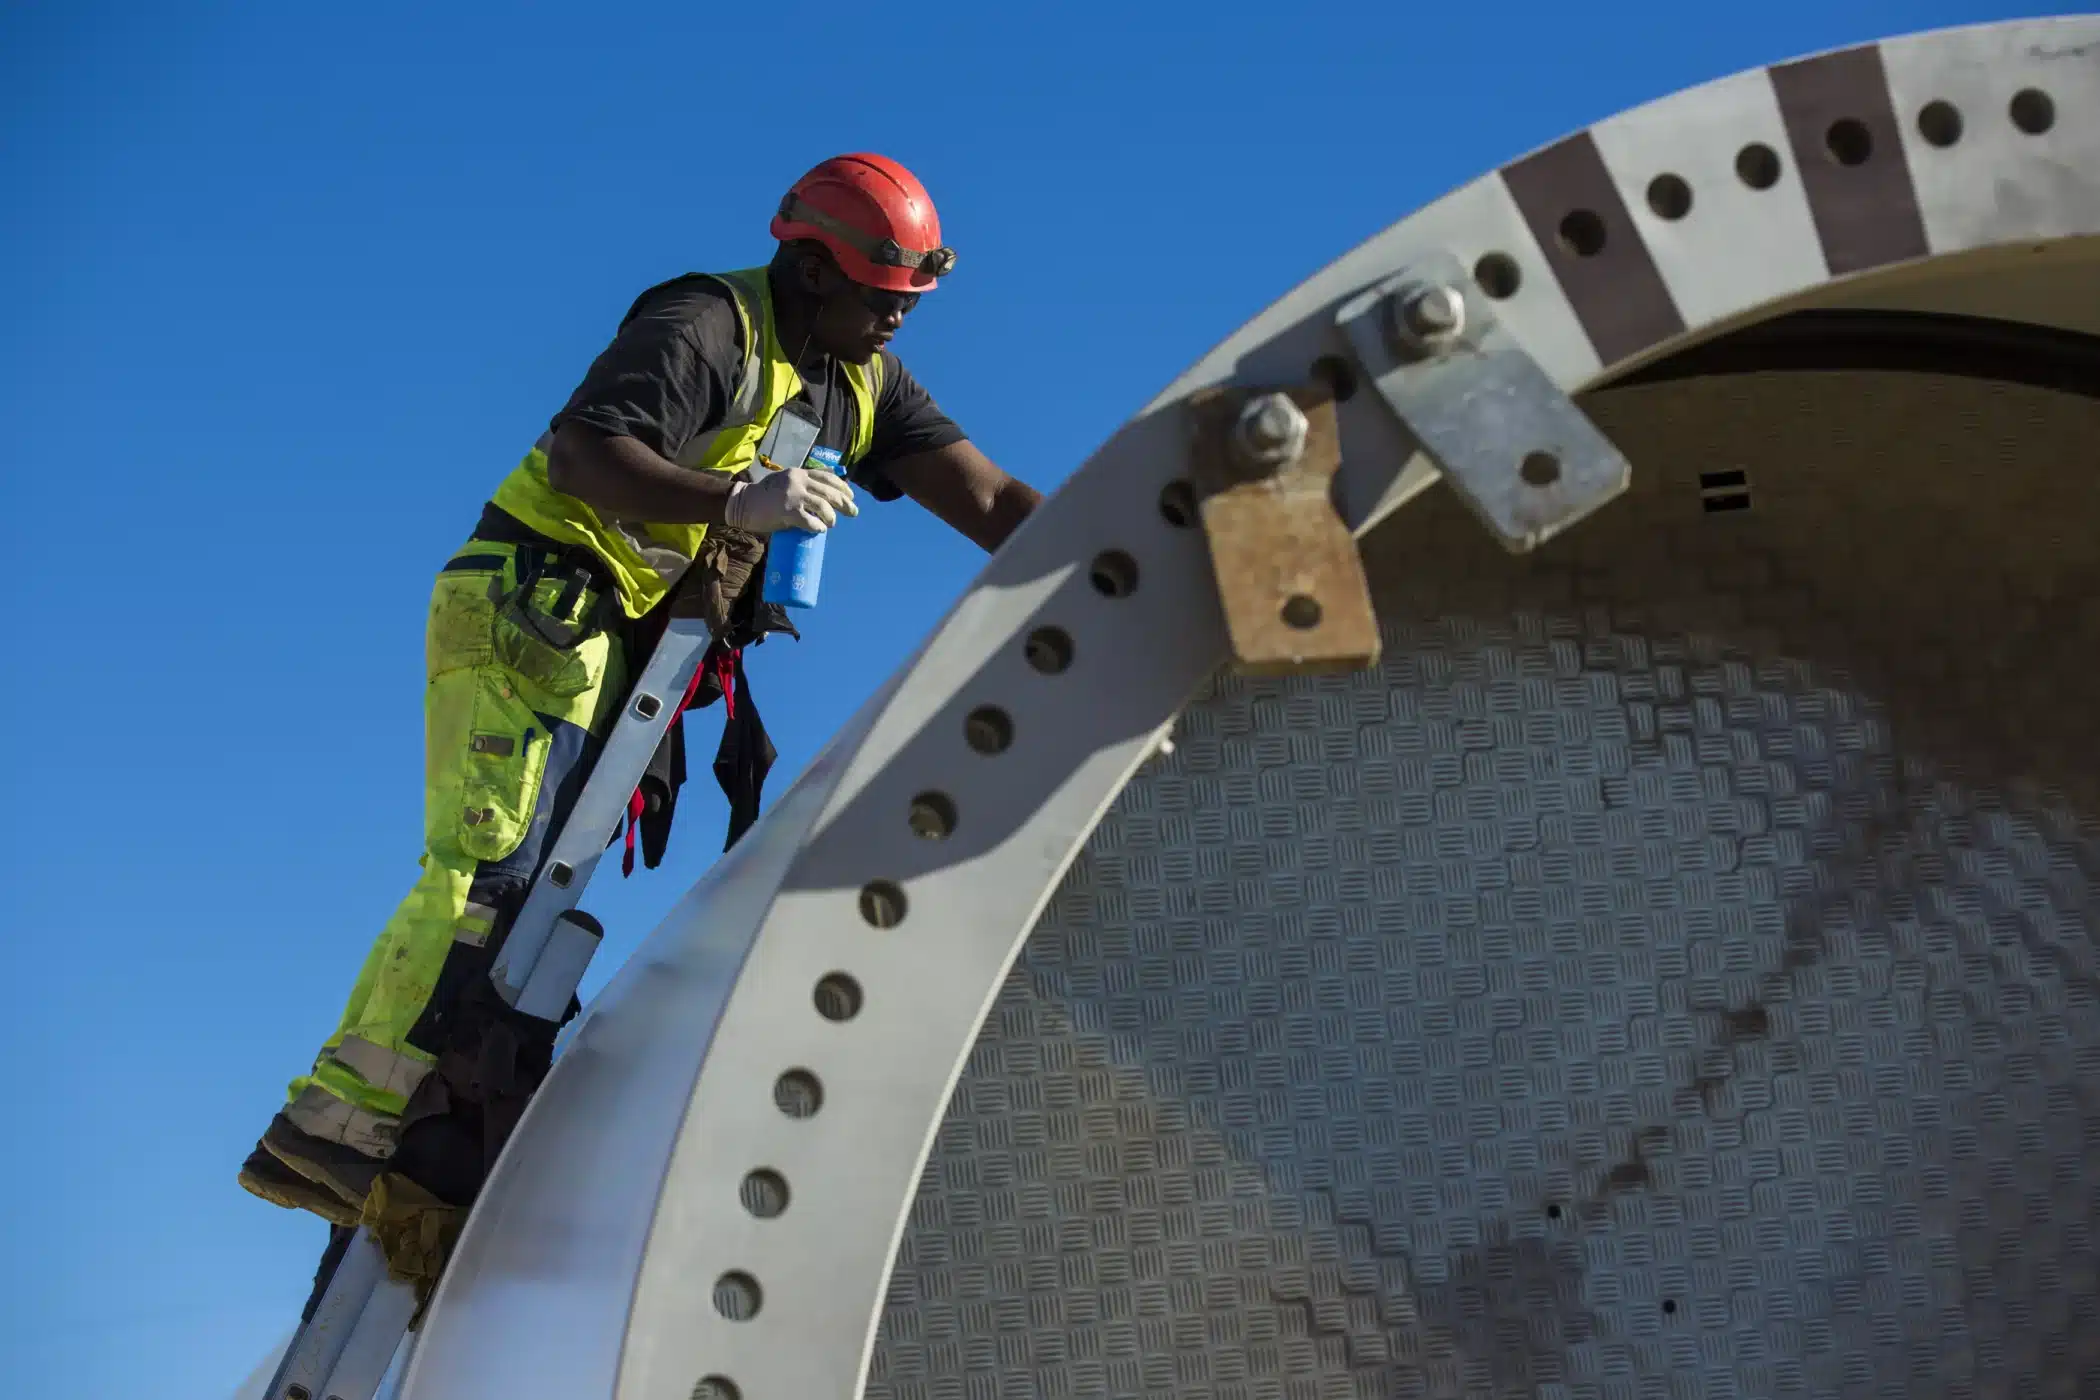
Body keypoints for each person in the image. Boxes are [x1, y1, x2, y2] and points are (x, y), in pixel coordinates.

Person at [236, 152, 1043, 1245]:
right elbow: (583, 455)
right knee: (493, 870)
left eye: (910, 302)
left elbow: (990, 496)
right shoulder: (709, 322)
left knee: (533, 909)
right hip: (535, 603)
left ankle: (437, 1132)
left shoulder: (863, 382)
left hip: (620, 636)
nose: (896, 321)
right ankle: (338, 1125)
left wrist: (1117, 550)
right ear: (810, 270)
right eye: (879, 296)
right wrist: (737, 498)